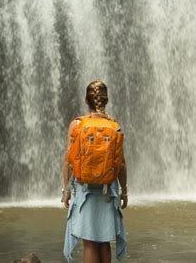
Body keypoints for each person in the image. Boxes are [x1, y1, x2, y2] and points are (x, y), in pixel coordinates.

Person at [62, 80, 128, 262]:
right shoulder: (114, 126)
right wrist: (125, 192)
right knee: (104, 242)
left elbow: (68, 162)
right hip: (108, 191)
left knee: (90, 243)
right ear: (105, 101)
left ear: (86, 100)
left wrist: (66, 192)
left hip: (85, 192)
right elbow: (121, 164)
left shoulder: (77, 125)